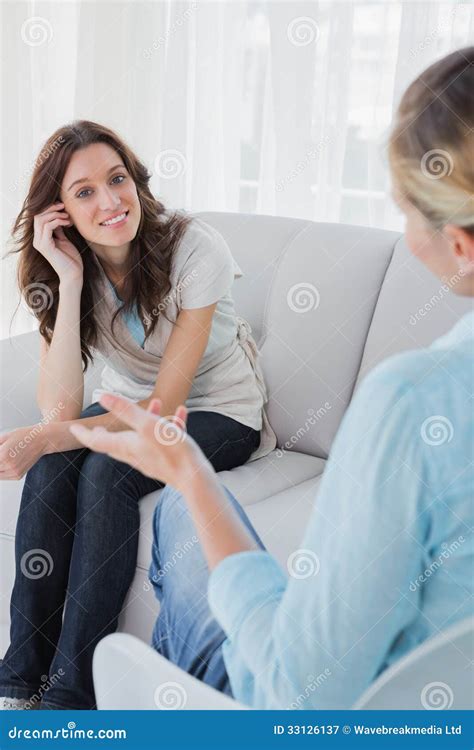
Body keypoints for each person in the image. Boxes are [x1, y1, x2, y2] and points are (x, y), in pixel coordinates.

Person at [68, 47, 473, 710]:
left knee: (179, 509)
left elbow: (301, 692)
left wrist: (192, 475)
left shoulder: (416, 401)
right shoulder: (91, 279)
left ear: (460, 244)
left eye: (406, 210)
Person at [0, 120, 275, 710]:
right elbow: (62, 408)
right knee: (52, 470)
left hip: (218, 412)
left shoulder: (195, 249)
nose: (110, 202)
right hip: (124, 406)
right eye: (84, 192)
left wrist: (52, 435)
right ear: (59, 212)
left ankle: (72, 696)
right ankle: (18, 683)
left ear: (136, 180)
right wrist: (70, 280)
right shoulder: (62, 271)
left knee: (105, 475)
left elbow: (163, 410)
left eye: (117, 179)